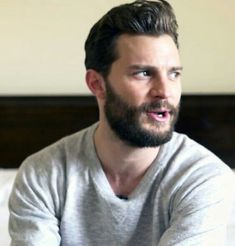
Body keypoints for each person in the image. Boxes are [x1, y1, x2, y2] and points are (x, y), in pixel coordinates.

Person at [9, 0, 234, 245]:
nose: (164, 91)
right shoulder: (42, 175)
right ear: (97, 83)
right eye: (144, 73)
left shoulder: (203, 178)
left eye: (174, 74)